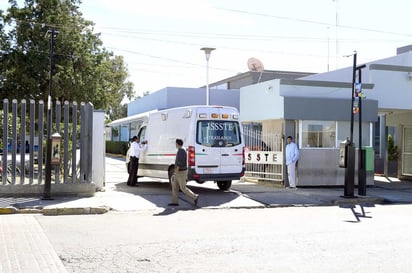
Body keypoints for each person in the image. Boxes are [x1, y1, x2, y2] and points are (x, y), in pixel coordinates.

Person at [168, 139, 199, 207]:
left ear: (178, 143)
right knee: (175, 187)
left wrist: (176, 170)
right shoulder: (181, 149)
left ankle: (195, 197)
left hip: (181, 172)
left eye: (175, 143)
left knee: (183, 188)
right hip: (178, 171)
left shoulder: (181, 150)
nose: (175, 145)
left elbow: (180, 162)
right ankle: (175, 202)